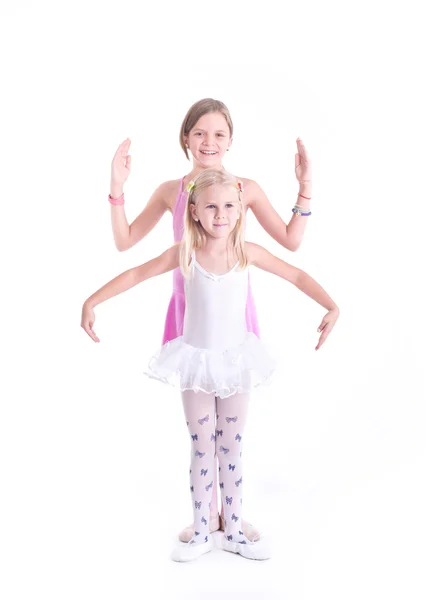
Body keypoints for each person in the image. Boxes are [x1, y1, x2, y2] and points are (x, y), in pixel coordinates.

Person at [81, 169, 339, 561]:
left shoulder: (246, 252)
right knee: (202, 446)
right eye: (212, 206)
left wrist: (331, 305)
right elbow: (136, 273)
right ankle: (202, 529)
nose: (221, 214)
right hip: (196, 365)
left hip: (236, 363)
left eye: (229, 206)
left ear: (240, 211)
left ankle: (234, 528)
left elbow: (296, 274)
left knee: (230, 447)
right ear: (195, 211)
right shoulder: (185, 252)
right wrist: (92, 301)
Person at [108, 98, 313, 543]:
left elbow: (292, 245)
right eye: (200, 132)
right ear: (186, 137)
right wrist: (117, 188)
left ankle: (230, 516)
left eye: (219, 134)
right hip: (187, 316)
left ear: (231, 141)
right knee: (201, 426)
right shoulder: (171, 190)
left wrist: (305, 186)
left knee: (232, 425)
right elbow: (126, 243)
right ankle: (208, 515)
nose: (208, 142)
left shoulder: (244, 189)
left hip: (234, 312)